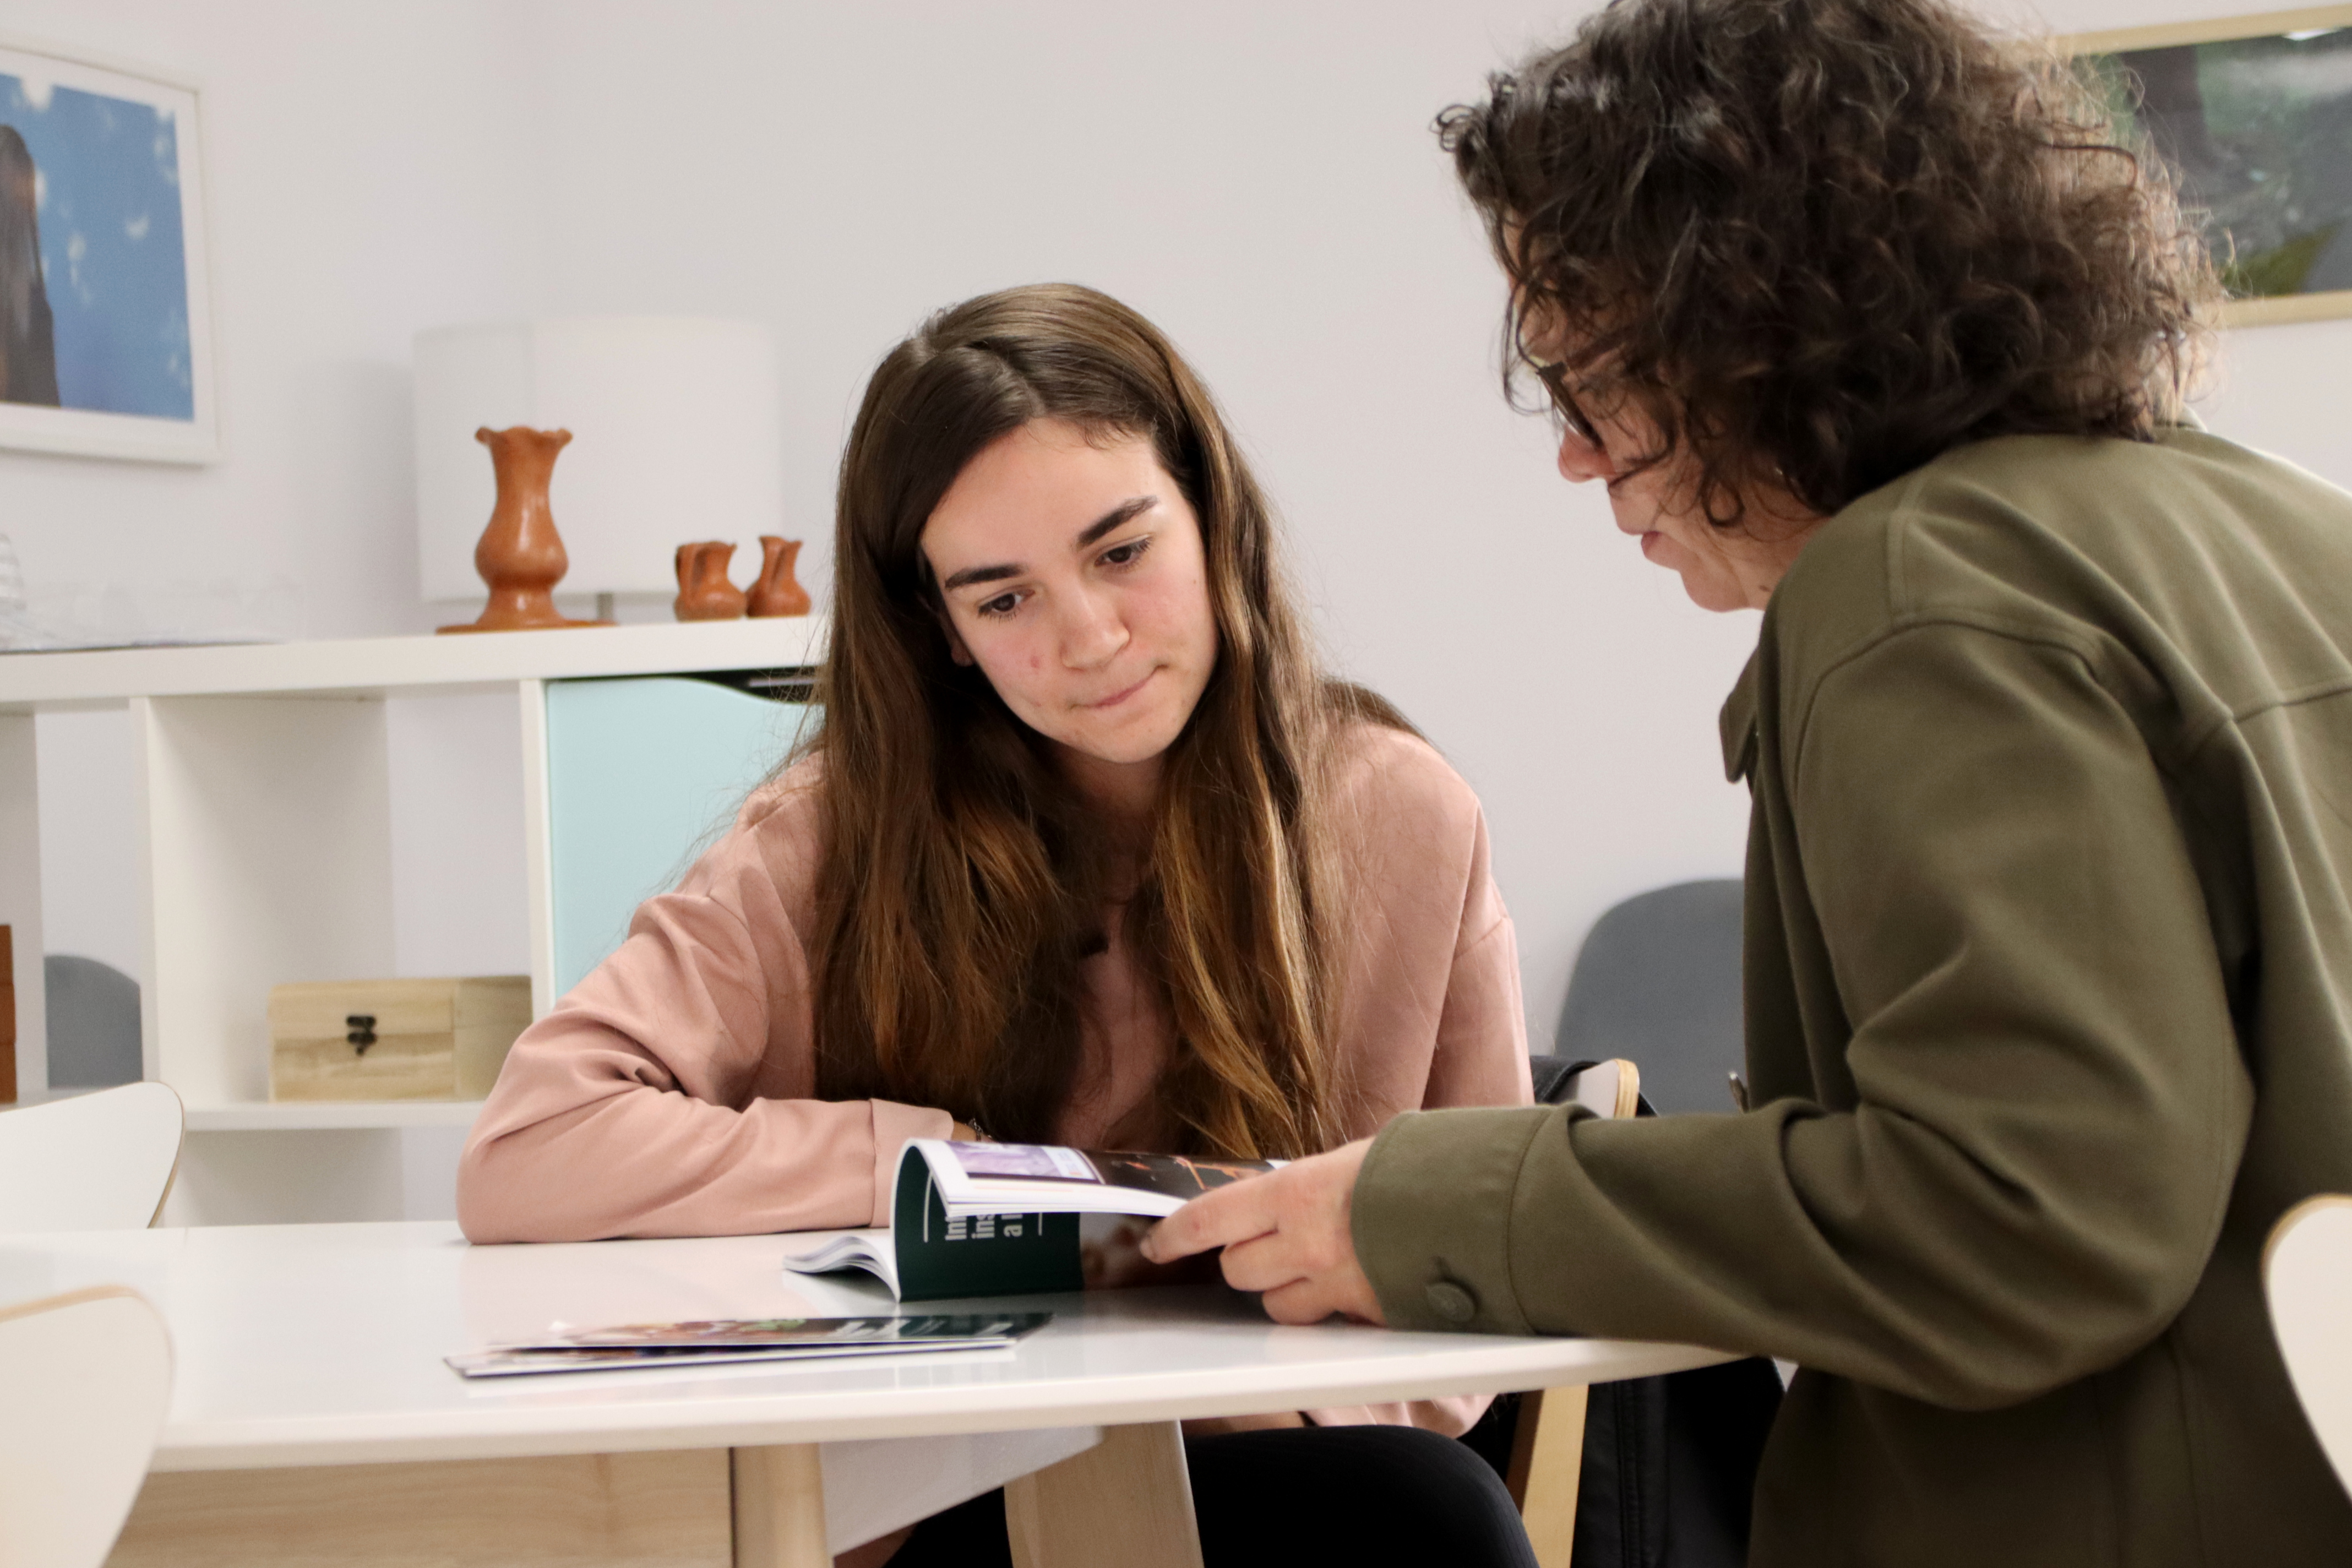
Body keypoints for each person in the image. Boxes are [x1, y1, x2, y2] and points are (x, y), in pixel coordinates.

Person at [1144, 3, 2352, 1564]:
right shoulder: (2281, 530)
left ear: (1751, 321)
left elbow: (2026, 1223)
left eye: (1583, 375)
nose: (1578, 458)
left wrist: (1435, 1207)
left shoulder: (1921, 586)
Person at [456, 283, 1538, 1567]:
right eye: (1004, 598)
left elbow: (1491, 1250)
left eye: (1123, 550)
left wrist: (1280, 1396)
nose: (1090, 637)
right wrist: (921, 1165)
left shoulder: (1404, 816)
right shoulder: (827, 839)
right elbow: (529, 1144)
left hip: (1269, 1452)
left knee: (1423, 1508)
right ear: (946, 632)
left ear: (1211, 516)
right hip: (927, 1490)